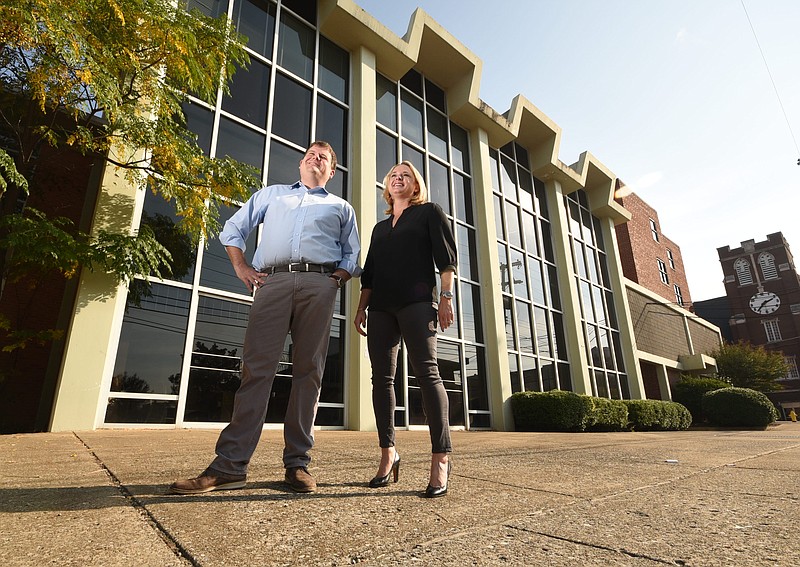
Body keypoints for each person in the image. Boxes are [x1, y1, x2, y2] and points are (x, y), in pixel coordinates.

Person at [170, 141, 360, 495]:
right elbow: (232, 230)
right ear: (300, 163)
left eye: (323, 157)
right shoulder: (271, 195)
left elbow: (352, 253)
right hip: (272, 282)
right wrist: (241, 266)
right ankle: (229, 467)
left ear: (331, 171)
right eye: (310, 154)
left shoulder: (341, 207)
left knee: (309, 372)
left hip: (320, 284)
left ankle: (298, 464)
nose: (314, 159)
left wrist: (336, 280)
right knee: (256, 370)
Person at [354, 161, 457, 498]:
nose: (398, 179)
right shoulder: (379, 229)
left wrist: (445, 299)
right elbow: (368, 275)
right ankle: (388, 454)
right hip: (381, 306)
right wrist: (360, 309)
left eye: (406, 176)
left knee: (427, 373)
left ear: (416, 186)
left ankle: (440, 458)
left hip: (417, 304)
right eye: (393, 176)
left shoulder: (428, 212)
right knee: (380, 379)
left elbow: (446, 260)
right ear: (387, 188)